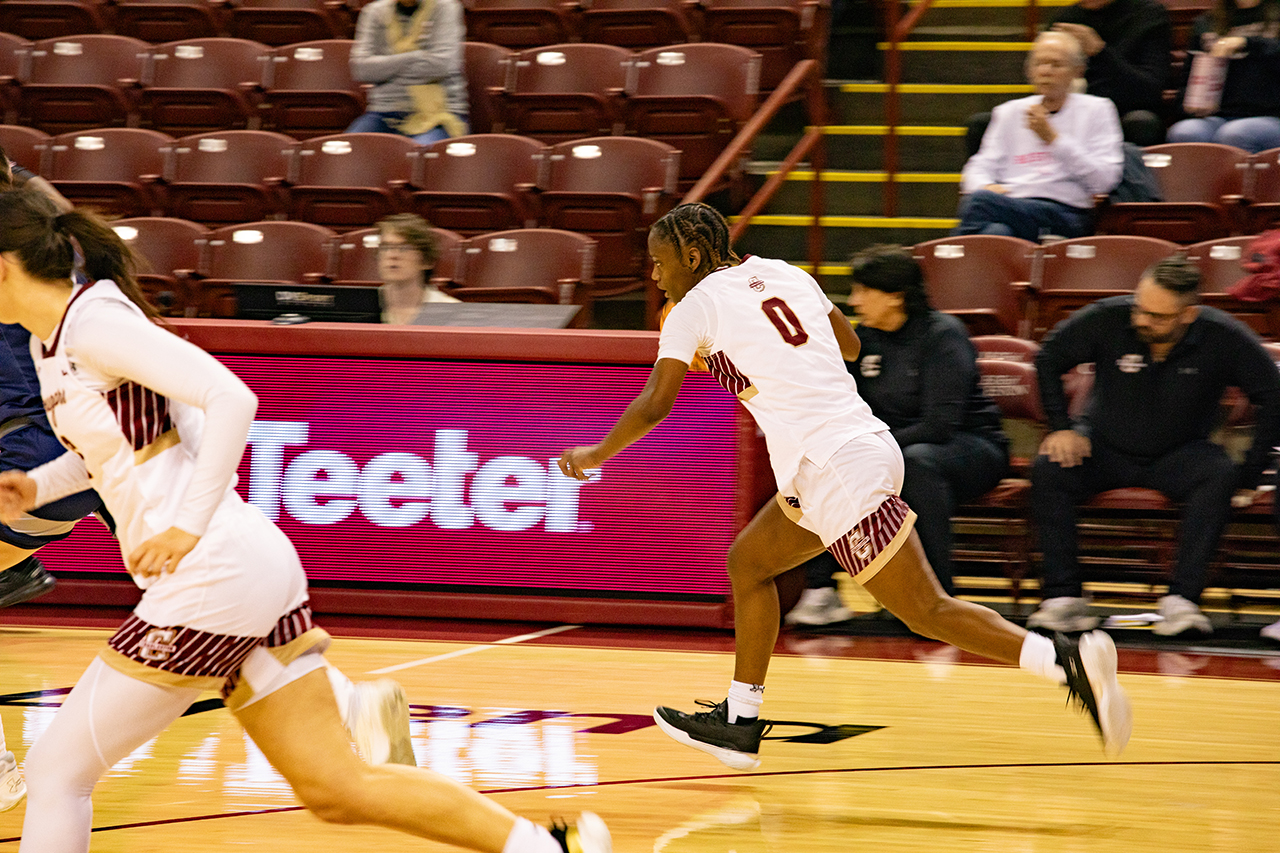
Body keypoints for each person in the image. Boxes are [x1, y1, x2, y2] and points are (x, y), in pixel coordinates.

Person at [0, 187, 609, 853]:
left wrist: (186, 528)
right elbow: (111, 454)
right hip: (243, 573)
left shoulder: (96, 323)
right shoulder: (47, 342)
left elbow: (231, 396)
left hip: (212, 573)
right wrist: (34, 484)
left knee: (59, 770)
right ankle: (551, 846)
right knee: (337, 787)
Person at [558, 202, 1132, 771]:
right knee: (749, 564)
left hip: (835, 466)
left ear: (691, 254)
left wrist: (596, 452)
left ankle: (1065, 660)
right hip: (849, 454)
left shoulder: (692, 308)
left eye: (659, 264)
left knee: (926, 611)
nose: (654, 277)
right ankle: (739, 721)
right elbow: (852, 346)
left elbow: (658, 402)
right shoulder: (786, 272)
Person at [1029, 254, 1280, 636]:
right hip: (1103, 445)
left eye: (1158, 316)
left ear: (1188, 315)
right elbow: (1048, 357)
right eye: (1140, 308)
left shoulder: (1222, 336)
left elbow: (1273, 395)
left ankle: (1182, 601)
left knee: (1220, 474)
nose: (1143, 320)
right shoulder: (1108, 318)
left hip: (1180, 453)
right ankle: (1063, 598)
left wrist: (1251, 473)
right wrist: (1061, 427)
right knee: (1050, 466)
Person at [845, 245, 1010, 596]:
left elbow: (940, 425)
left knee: (916, 462)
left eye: (862, 291)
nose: (854, 301)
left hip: (971, 446)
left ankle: (935, 595)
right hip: (899, 447)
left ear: (894, 296)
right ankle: (819, 592)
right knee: (829, 464)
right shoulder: (863, 339)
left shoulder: (943, 335)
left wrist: (874, 449)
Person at [955, 31, 1124, 242]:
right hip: (1009, 206)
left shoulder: (1098, 110)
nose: (1045, 71)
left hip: (1066, 212)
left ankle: (946, 265)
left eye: (1055, 64)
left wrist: (1054, 139)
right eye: (1039, 64)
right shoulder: (1009, 112)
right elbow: (979, 166)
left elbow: (1104, 181)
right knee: (997, 233)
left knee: (979, 204)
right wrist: (985, 186)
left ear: (1077, 71)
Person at [347, 0, 468, 144]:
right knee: (345, 151)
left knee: (420, 155)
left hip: (441, 113)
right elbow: (361, 69)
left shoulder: (446, 8)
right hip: (384, 113)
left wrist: (386, 73)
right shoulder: (374, 11)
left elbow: (441, 65)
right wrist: (416, 56)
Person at [1167, 0, 1280, 152]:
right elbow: (1188, 78)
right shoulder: (1206, 22)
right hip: (1218, 115)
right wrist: (1188, 105)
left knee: (1235, 134)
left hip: (1271, 116)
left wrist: (1245, 42)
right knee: (1185, 132)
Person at [376, 212, 458, 324]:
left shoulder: (453, 313)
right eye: (385, 247)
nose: (392, 255)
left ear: (426, 261)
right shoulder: (357, 307)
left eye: (404, 248)